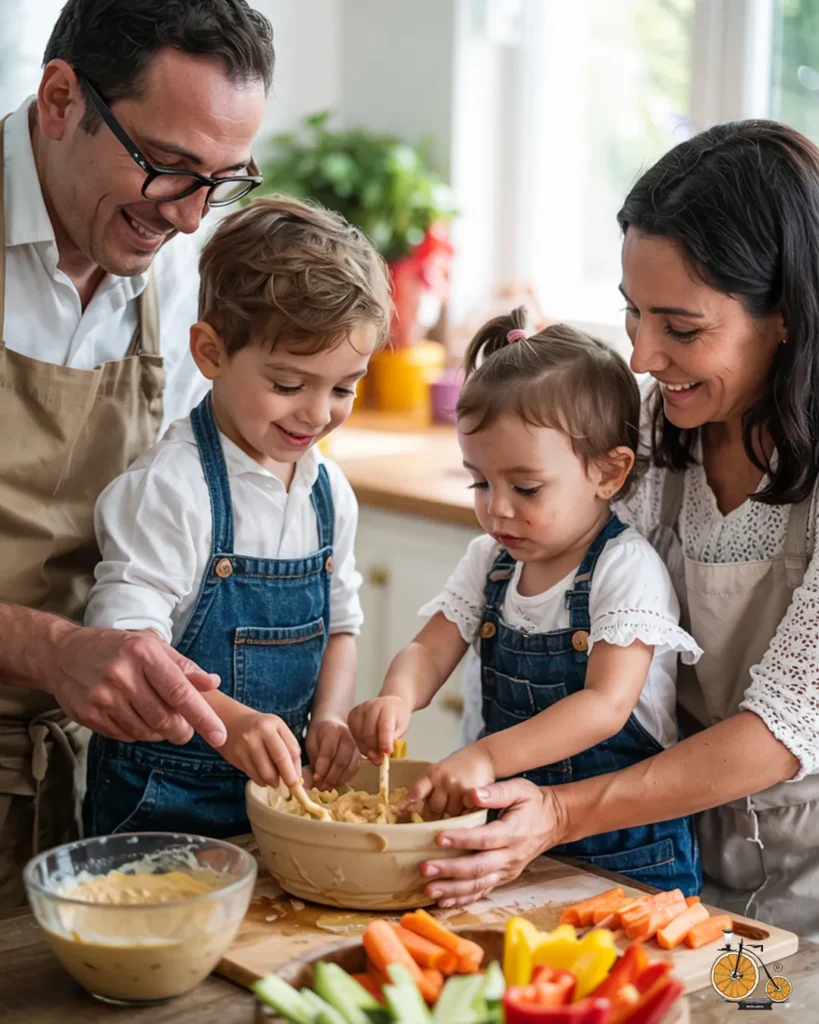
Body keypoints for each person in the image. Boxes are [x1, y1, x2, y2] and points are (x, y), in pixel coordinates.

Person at [417, 121, 819, 937]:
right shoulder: (646, 435)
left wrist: (557, 811)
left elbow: (781, 731)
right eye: (631, 314)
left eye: (680, 328)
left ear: (783, 314)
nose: (639, 355)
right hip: (659, 852)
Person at [0, 0, 274, 906]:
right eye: (167, 166)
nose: (191, 217)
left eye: (221, 181)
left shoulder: (177, 278)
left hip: (70, 791)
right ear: (57, 98)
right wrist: (49, 648)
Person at [349, 313, 702, 895]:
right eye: (480, 483)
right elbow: (429, 647)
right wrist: (397, 695)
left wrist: (486, 757)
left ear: (608, 472)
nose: (498, 509)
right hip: (514, 837)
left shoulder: (626, 569)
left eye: (526, 488)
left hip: (626, 855)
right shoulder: (490, 559)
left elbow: (605, 706)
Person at [83, 195, 392, 838]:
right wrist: (231, 723)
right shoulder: (170, 490)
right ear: (211, 353)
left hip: (281, 812)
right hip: (159, 812)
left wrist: (329, 721)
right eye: (288, 384)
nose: (316, 414)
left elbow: (342, 625)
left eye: (342, 387)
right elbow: (129, 650)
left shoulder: (329, 493)